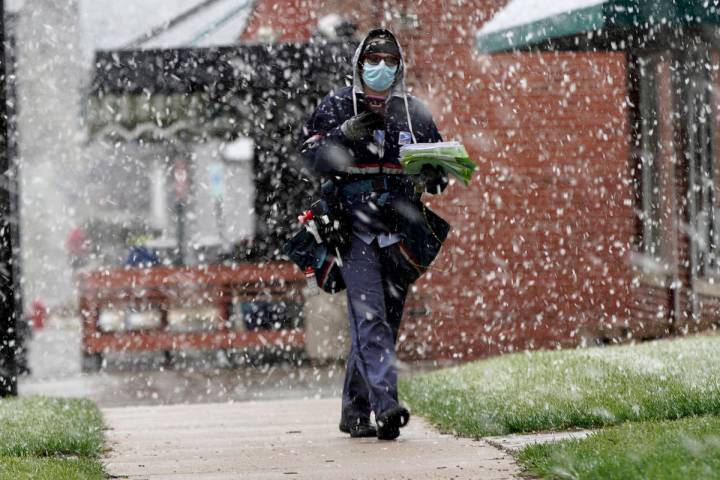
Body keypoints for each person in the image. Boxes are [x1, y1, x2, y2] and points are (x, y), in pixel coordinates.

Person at [300, 28, 449, 440]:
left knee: (385, 324)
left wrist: (435, 174)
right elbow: (310, 157)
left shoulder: (415, 113)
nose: (380, 67)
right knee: (370, 321)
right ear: (359, 63)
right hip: (353, 231)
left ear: (399, 66)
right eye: (373, 59)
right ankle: (386, 407)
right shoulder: (334, 106)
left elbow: (439, 177)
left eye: (389, 60)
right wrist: (342, 137)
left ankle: (354, 410)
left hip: (400, 232)